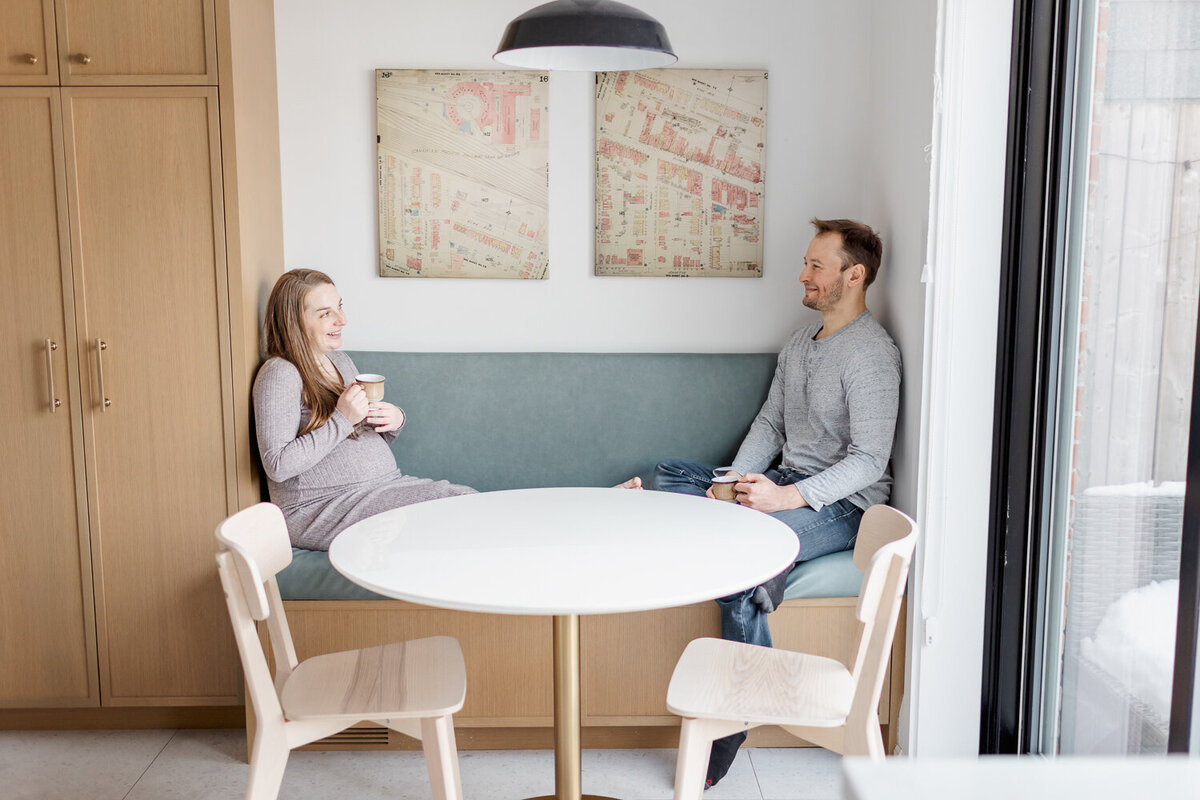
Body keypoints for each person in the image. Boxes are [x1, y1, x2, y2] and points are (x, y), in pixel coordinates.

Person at [652, 218, 901, 786]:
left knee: (739, 573)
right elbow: (770, 420)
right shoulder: (801, 341)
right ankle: (771, 567)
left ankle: (733, 720)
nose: (803, 275)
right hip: (785, 480)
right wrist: (736, 481)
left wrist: (786, 497)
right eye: (807, 263)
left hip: (842, 504)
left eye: (817, 265)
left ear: (854, 275)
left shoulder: (871, 356)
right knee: (669, 476)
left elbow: (869, 460)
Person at [252, 269, 477, 551]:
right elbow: (278, 465)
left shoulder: (339, 361)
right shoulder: (281, 373)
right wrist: (343, 419)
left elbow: (355, 438)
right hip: (323, 507)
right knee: (460, 506)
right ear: (293, 322)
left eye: (340, 307)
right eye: (325, 314)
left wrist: (393, 421)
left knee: (468, 502)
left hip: (382, 487)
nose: (341, 320)